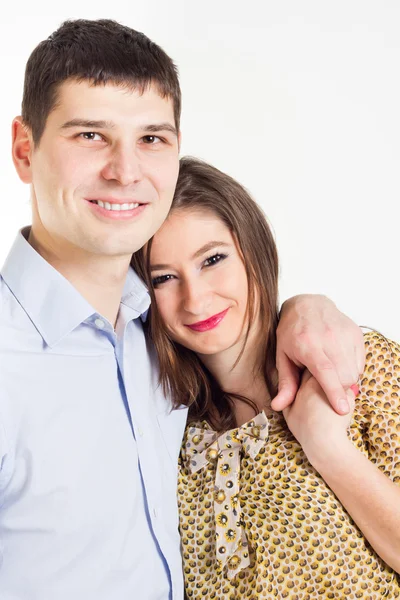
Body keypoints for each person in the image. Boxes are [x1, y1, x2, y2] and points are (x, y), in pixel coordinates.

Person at [1, 18, 363, 599]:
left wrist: (302, 308)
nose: (125, 171)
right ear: (25, 149)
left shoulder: (165, 333)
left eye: (151, 138)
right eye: (90, 135)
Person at [132, 156, 400, 598]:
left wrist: (329, 448)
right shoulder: (169, 440)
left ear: (252, 248)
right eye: (164, 278)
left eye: (213, 258)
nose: (195, 300)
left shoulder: (355, 368)